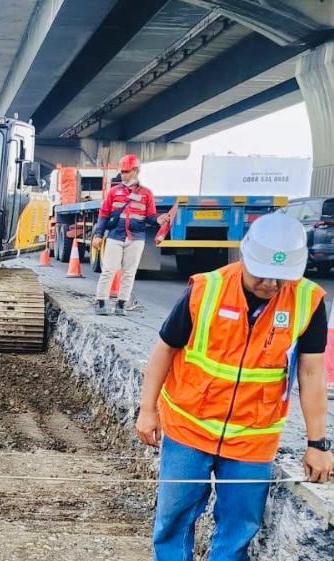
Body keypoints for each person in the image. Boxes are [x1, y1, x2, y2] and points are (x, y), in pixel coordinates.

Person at [135, 211, 334, 561]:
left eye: (281, 278)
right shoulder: (206, 290)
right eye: (263, 276)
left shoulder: (308, 301)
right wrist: (148, 409)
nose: (272, 286)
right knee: (174, 521)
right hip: (188, 429)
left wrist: (317, 443)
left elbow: (312, 374)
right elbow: (165, 349)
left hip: (253, 439)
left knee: (239, 527)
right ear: (244, 257)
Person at [92, 154, 168, 316]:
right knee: (109, 270)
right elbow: (104, 214)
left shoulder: (146, 194)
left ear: (135, 171)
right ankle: (100, 301)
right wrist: (98, 234)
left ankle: (121, 304)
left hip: (135, 238)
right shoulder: (114, 192)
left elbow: (150, 216)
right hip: (115, 236)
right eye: (122, 172)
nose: (123, 175)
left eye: (126, 172)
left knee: (129, 272)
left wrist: (159, 219)